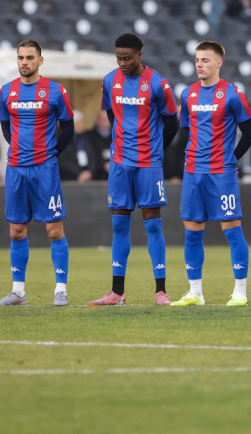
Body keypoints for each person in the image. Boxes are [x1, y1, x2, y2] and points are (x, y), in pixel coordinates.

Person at [89, 33, 179, 306]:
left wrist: (155, 150)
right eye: (118, 58)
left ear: (140, 55)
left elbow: (171, 123)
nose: (122, 63)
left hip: (148, 164)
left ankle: (160, 291)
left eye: (127, 58)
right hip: (119, 163)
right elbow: (112, 114)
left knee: (153, 225)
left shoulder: (158, 84)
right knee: (119, 224)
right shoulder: (109, 80)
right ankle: (117, 292)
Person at [170, 41, 251, 307]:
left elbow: (249, 133)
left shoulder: (232, 94)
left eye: (205, 60)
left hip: (222, 172)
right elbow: (184, 131)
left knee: (231, 230)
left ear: (218, 63)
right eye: (197, 59)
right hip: (194, 172)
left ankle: (240, 292)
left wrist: (232, 158)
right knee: (192, 231)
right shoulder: (188, 94)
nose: (199, 64)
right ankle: (195, 292)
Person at [0, 40, 74, 306]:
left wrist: (51, 153)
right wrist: (18, 149)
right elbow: (5, 125)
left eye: (30, 57)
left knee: (54, 230)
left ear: (40, 61)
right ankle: (18, 292)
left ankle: (60, 289)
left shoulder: (55, 91)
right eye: (21, 57)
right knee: (17, 230)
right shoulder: (6, 91)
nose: (24, 62)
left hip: (45, 170)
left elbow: (68, 129)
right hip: (16, 169)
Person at [57, 110, 97, 182]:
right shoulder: (61, 138)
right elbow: (62, 161)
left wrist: (89, 172)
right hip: (69, 179)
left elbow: (92, 156)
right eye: (80, 122)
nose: (82, 125)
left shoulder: (84, 137)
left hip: (87, 177)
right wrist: (78, 173)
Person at [83, 110, 112, 180]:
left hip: (114, 173)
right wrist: (103, 164)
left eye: (106, 119)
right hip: (96, 175)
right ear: (97, 120)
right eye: (102, 119)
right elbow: (89, 154)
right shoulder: (88, 135)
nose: (104, 121)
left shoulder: (117, 135)